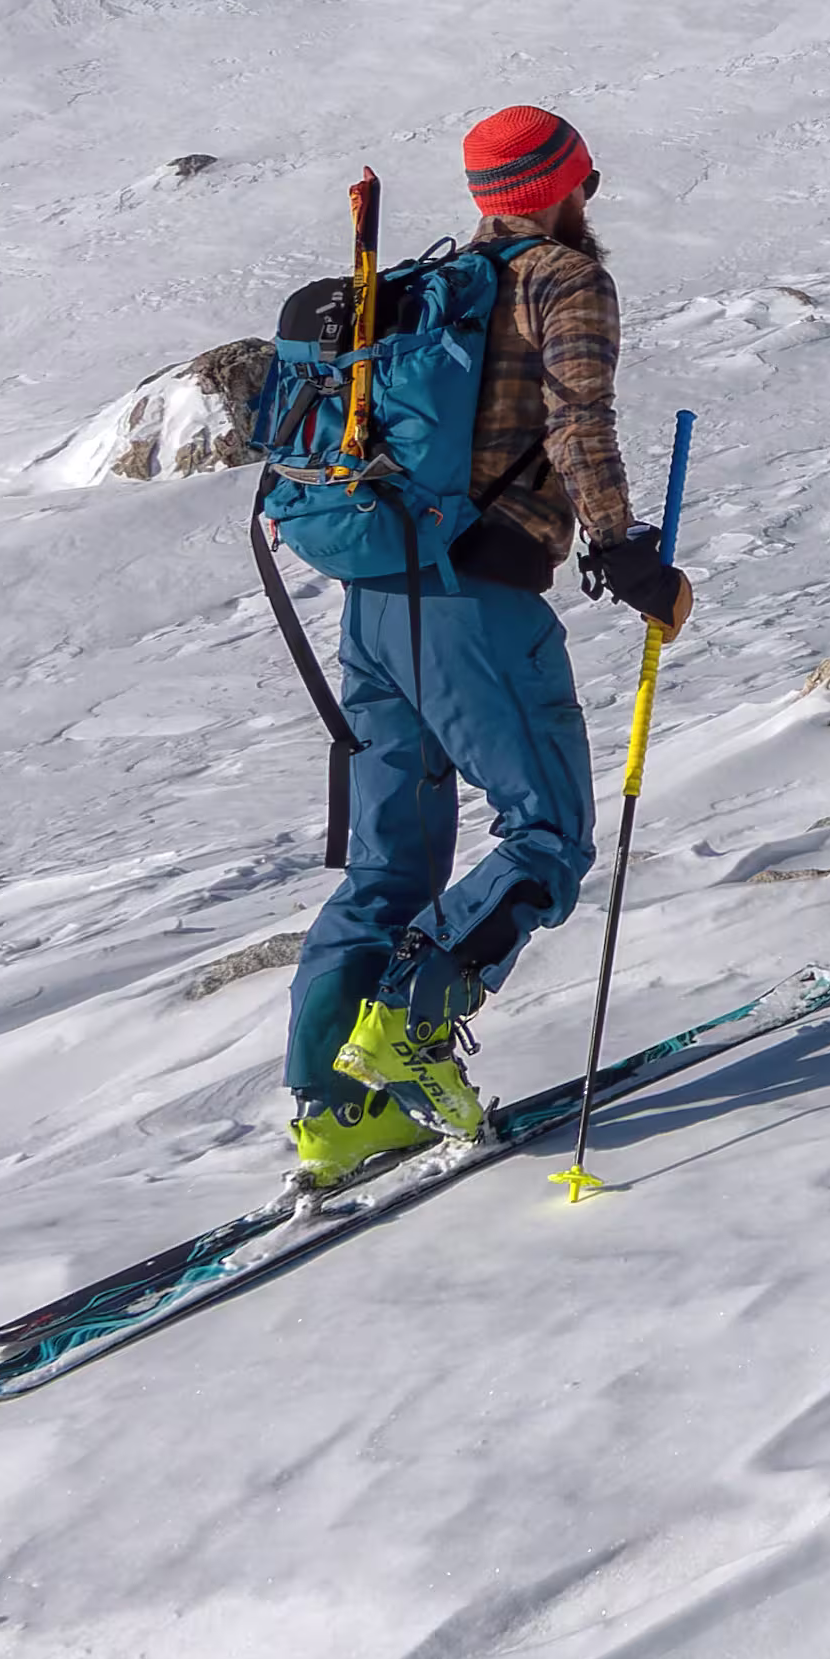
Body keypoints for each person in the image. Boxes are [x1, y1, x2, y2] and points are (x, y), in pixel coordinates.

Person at [283, 104, 694, 1188]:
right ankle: (413, 1025)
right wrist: (625, 548)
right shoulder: (563, 279)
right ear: (562, 186)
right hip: (477, 601)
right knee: (547, 831)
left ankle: (334, 1115)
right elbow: (577, 421)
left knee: (388, 867)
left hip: (376, 600)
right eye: (585, 184)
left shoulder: (424, 294)